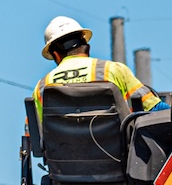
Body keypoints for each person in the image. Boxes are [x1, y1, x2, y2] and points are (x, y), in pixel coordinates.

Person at [32, 15, 162, 126]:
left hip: (62, 154)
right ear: (87, 48)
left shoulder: (42, 87)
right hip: (117, 154)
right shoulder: (112, 70)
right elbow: (155, 108)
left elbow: (34, 134)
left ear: (56, 54)